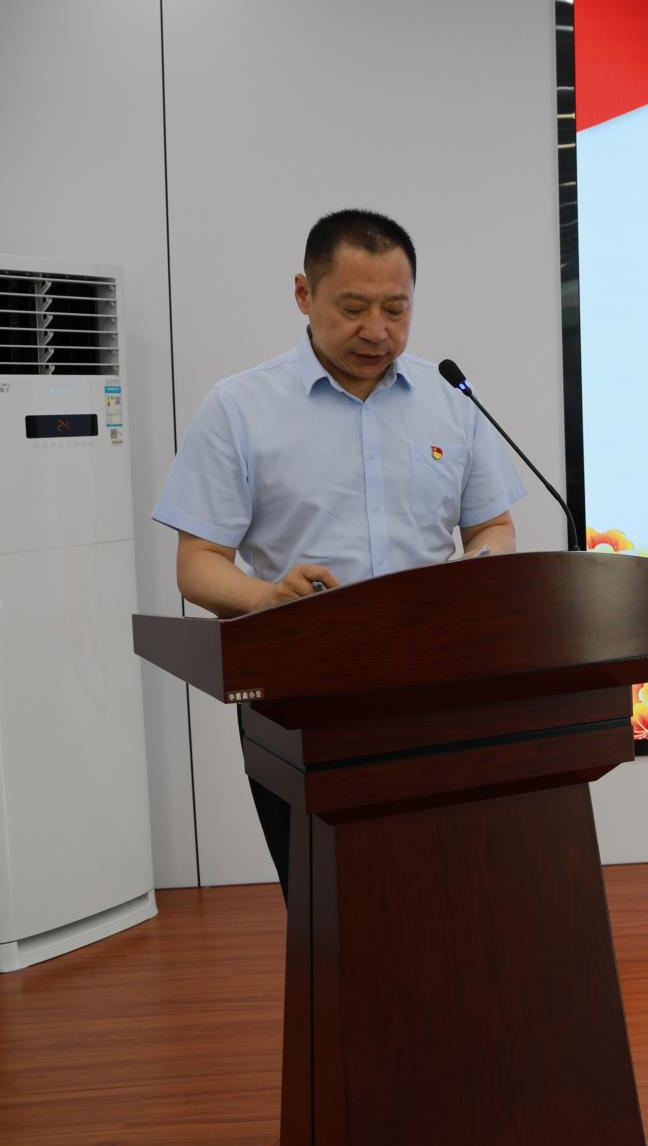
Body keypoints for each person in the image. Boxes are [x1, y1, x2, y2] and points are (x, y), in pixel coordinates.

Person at [151, 208, 528, 898]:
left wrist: (471, 576)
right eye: (353, 308)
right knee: (327, 904)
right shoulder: (239, 408)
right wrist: (268, 598)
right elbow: (197, 562)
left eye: (396, 308)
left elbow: (493, 529)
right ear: (305, 293)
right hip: (302, 696)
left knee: (452, 895)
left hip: (438, 687)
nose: (377, 331)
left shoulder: (450, 399)